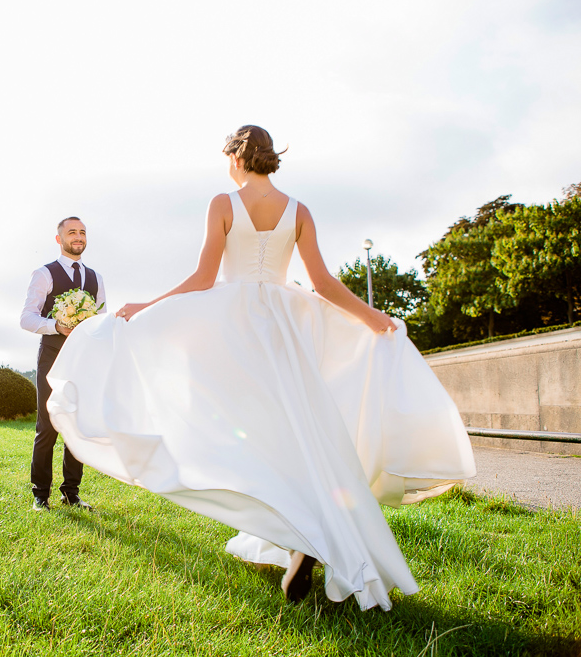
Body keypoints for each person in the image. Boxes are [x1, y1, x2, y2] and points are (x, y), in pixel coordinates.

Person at [45, 125, 476, 610]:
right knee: (299, 435)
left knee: (246, 439)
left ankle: (293, 533)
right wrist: (376, 320)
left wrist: (149, 305)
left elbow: (205, 278)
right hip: (286, 329)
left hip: (237, 329)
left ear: (236, 157)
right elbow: (324, 283)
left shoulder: (224, 203)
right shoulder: (300, 210)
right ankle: (303, 540)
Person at [20, 216, 106, 512]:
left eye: (82, 232)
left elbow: (100, 319)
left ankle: (71, 492)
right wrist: (56, 326)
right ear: (59, 239)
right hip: (53, 356)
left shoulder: (95, 278)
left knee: (77, 425)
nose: (78, 236)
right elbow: (26, 318)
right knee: (48, 426)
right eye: (72, 232)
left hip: (84, 359)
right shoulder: (44, 273)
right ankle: (39, 495)